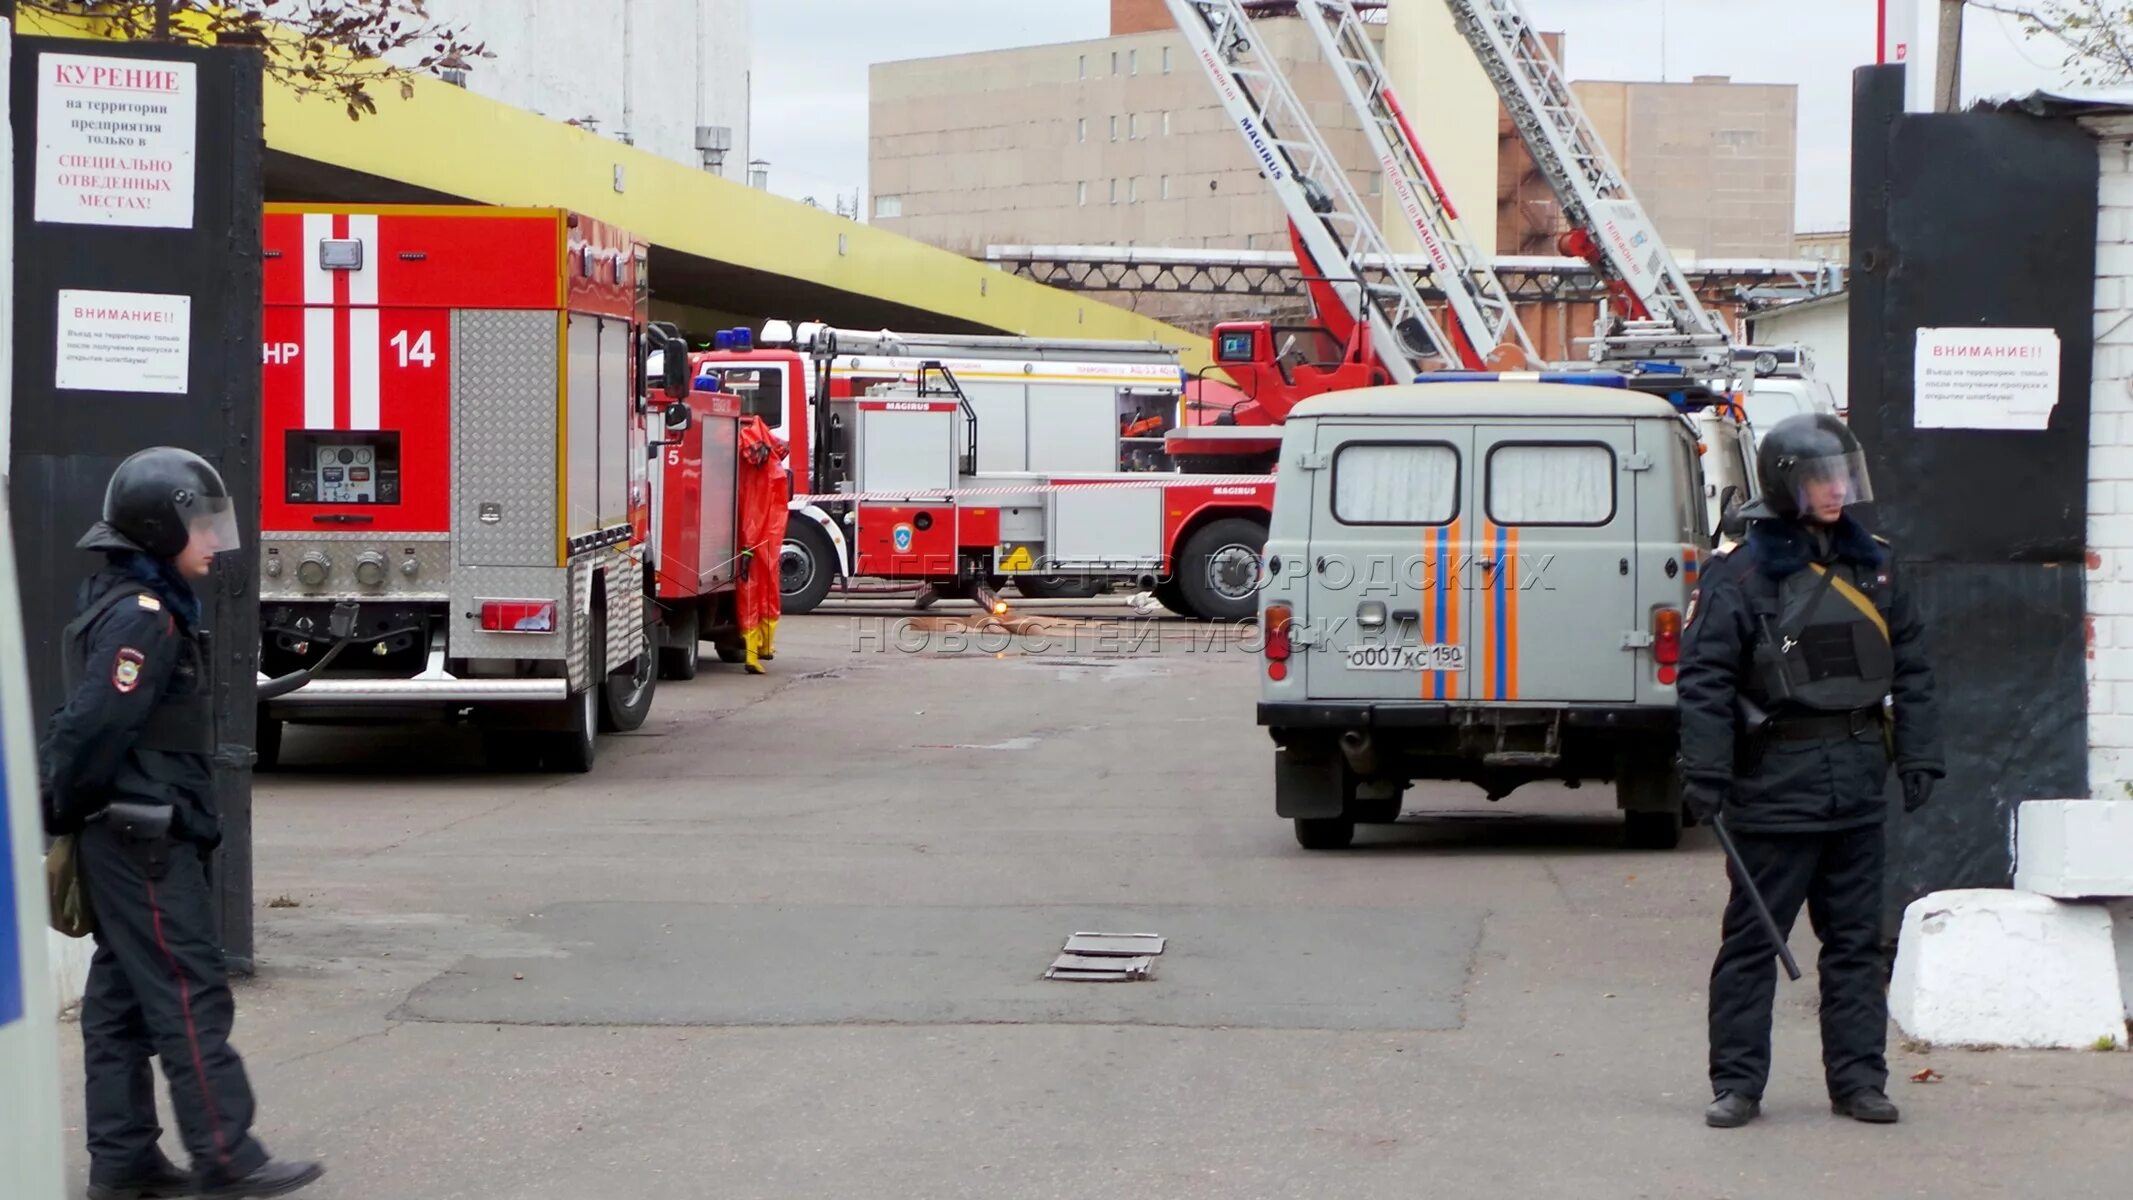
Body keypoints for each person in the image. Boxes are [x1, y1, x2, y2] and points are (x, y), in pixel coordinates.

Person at [40, 448, 323, 1198]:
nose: (212, 540)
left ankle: (125, 1162)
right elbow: (91, 725)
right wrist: (63, 806)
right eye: (200, 524)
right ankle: (227, 1159)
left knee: (120, 1003)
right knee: (188, 992)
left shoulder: (136, 604)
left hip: (133, 833)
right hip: (144, 842)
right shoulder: (144, 619)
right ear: (158, 527)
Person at [1675, 414, 1943, 1130]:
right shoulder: (1739, 574)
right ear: (1787, 485)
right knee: (1752, 944)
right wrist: (1704, 775)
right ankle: (1736, 1083)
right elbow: (1703, 679)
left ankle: (1858, 1082)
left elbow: (1911, 668)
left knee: (1855, 944)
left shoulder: (1875, 566)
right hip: (1772, 786)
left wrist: (1918, 752)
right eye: (1822, 478)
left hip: (1855, 777)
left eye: (1842, 475)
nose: (1837, 490)